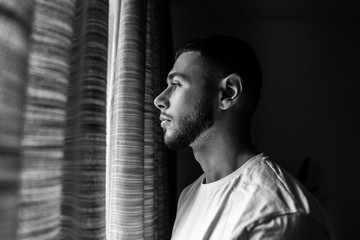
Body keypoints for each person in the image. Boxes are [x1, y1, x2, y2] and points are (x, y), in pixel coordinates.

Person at [154, 35, 335, 239]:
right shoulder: (189, 195)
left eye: (176, 84)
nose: (159, 99)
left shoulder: (277, 215)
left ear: (228, 93)